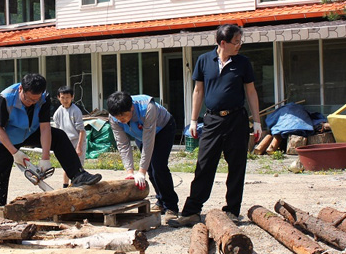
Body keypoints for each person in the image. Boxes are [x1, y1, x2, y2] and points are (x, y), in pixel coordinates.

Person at [169, 24, 262, 228]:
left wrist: (257, 121)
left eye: (240, 41)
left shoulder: (243, 63)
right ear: (223, 43)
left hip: (237, 119)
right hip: (211, 120)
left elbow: (251, 92)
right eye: (236, 42)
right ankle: (192, 211)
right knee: (204, 164)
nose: (239, 45)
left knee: (237, 165)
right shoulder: (204, 60)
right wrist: (193, 120)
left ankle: (232, 211)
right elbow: (198, 91)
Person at [0, 73, 102, 216]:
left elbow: (45, 127)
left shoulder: (44, 98)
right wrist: (14, 153)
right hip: (3, 136)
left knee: (59, 137)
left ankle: (78, 175)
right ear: (21, 89)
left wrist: (45, 157)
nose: (31, 103)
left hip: (30, 131)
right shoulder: (5, 98)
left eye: (35, 100)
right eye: (28, 99)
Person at [107, 91, 180, 222]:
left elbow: (148, 142)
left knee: (158, 166)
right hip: (141, 134)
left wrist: (141, 171)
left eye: (123, 115)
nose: (121, 119)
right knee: (151, 170)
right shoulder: (113, 118)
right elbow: (123, 144)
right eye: (117, 117)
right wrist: (130, 171)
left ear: (131, 108)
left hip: (163, 129)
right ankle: (161, 201)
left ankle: (171, 206)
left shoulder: (148, 107)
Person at [53, 86, 87, 188]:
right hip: (65, 142)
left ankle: (75, 185)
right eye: (62, 97)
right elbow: (57, 130)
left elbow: (81, 130)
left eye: (67, 97)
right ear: (58, 97)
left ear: (72, 97)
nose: (65, 100)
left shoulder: (76, 110)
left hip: (77, 140)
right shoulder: (58, 112)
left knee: (78, 166)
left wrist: (79, 146)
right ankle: (65, 185)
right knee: (67, 165)